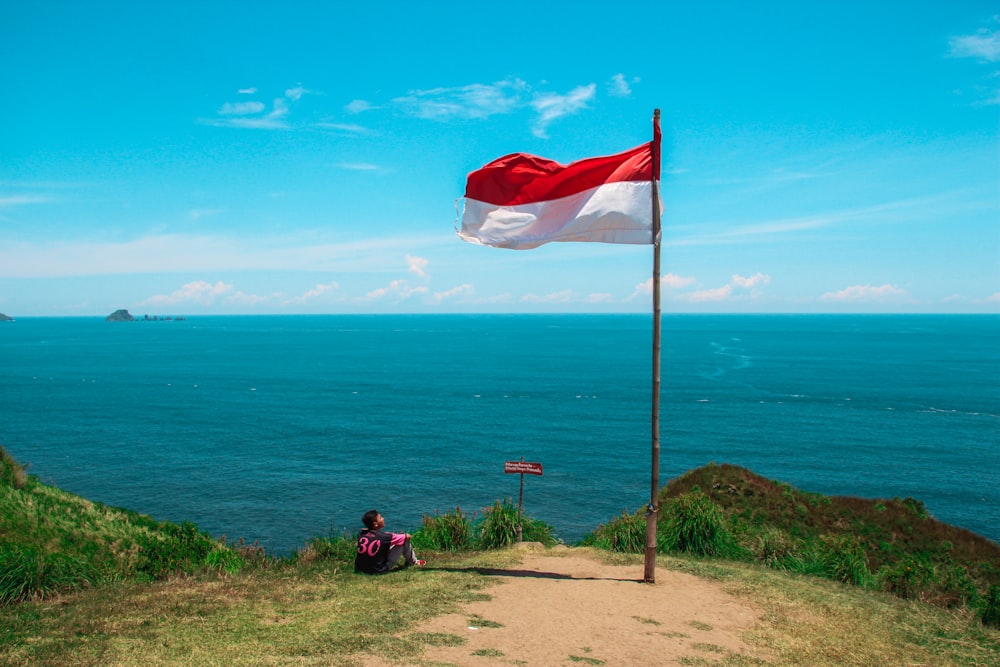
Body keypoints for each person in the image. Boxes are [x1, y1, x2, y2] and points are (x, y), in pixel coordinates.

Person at [354, 509, 426, 574]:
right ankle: (412, 562)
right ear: (375, 524)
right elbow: (408, 536)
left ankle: (412, 562)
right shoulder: (385, 537)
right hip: (379, 570)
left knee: (388, 544)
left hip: (360, 569)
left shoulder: (361, 533)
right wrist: (393, 535)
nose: (383, 519)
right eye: (380, 518)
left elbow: (367, 531)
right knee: (404, 541)